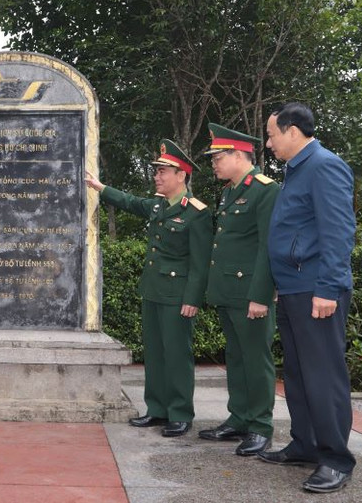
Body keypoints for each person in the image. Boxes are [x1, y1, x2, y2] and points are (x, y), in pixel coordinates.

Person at [260, 102, 356, 494]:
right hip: (295, 288)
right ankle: (305, 443)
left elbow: (338, 231)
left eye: (271, 134)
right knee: (298, 374)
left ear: (293, 131)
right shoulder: (297, 170)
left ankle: (335, 459)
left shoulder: (324, 165)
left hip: (317, 288)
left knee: (324, 375)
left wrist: (327, 289)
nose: (268, 143)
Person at [86, 140, 212, 437]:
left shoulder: (197, 213)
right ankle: (157, 409)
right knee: (154, 353)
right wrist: (100, 187)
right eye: (156, 171)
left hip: (177, 295)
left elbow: (200, 261)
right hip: (153, 290)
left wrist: (192, 298)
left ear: (181, 175)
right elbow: (130, 202)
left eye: (163, 171)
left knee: (177, 354)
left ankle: (180, 413)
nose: (157, 176)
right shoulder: (157, 203)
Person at [199, 123, 279, 456]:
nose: (214, 164)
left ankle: (260, 426)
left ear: (238, 154)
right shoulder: (231, 191)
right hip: (230, 292)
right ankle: (239, 417)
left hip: (251, 294)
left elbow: (268, 246)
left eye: (218, 157)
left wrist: (261, 294)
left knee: (256, 360)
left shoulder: (265, 190)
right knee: (236, 357)